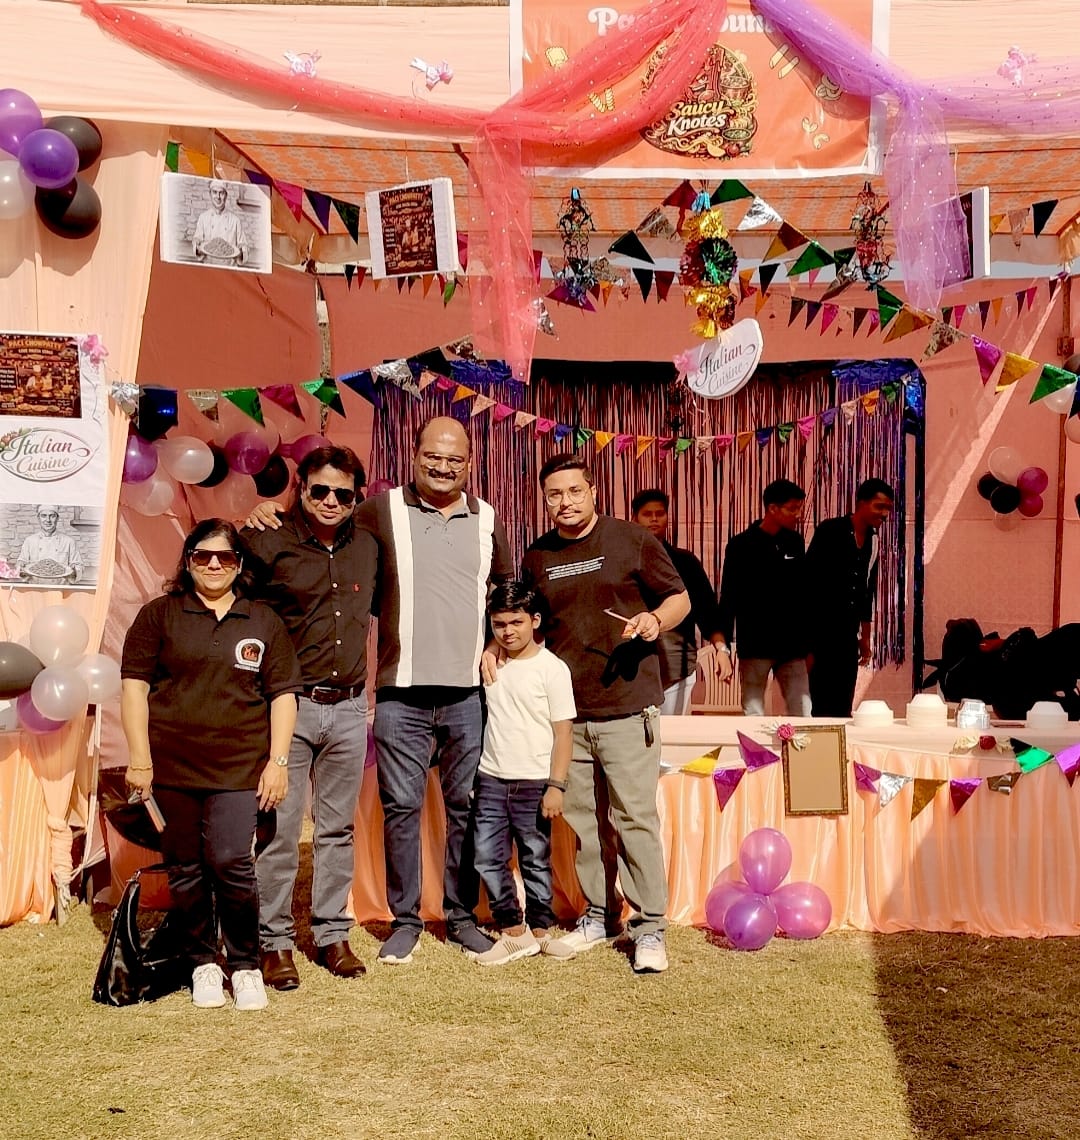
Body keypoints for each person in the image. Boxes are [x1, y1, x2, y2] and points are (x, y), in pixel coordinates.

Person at [515, 454, 690, 974]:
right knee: (585, 823)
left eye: (575, 491)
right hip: (568, 716)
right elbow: (529, 625)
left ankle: (650, 925)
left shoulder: (632, 540)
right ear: (545, 501)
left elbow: (679, 599)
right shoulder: (537, 557)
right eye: (554, 494)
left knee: (634, 818)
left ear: (593, 491)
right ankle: (599, 913)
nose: (565, 502)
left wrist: (655, 620)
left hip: (628, 708)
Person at [121, 520, 301, 1011]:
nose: (214, 565)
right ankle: (202, 962)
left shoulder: (262, 620)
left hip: (239, 768)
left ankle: (244, 964)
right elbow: (134, 688)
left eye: (224, 556)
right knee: (187, 868)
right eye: (203, 556)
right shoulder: (159, 615)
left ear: (239, 564)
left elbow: (283, 695)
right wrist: (140, 760)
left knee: (230, 862)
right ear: (188, 562)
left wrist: (278, 762)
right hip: (173, 768)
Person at [355, 417, 514, 965]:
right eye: (433, 456)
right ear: (414, 454)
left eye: (454, 459)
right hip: (400, 692)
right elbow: (325, 542)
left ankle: (461, 916)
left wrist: (495, 643)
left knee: (465, 806)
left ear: (469, 462)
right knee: (401, 807)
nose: (443, 467)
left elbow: (506, 591)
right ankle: (405, 920)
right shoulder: (379, 510)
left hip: (468, 694)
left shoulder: (487, 516)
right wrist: (269, 512)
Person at [244, 445, 377, 989]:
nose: (330, 501)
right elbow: (232, 610)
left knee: (337, 830)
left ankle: (331, 934)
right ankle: (273, 941)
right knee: (278, 830)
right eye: (319, 490)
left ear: (356, 498)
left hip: (349, 707)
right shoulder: (265, 539)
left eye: (343, 494)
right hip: (288, 708)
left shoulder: (367, 545)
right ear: (300, 487)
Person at [470, 581, 578, 967]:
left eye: (516, 622)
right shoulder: (490, 661)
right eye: (499, 624)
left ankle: (542, 931)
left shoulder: (553, 670)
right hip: (491, 778)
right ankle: (514, 932)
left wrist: (556, 786)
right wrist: (490, 648)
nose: (508, 632)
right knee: (487, 857)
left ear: (535, 620)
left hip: (535, 783)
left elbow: (563, 732)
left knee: (535, 859)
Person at [716, 478, 812, 716]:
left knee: (803, 711)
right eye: (792, 509)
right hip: (755, 644)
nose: (798, 515)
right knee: (753, 712)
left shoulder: (795, 541)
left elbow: (803, 595)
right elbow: (729, 597)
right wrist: (723, 647)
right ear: (772, 508)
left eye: (799, 508)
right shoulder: (740, 545)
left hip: (792, 646)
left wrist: (809, 645)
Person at [630, 488, 729, 713]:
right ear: (634, 518)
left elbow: (707, 611)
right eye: (647, 514)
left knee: (671, 731)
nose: (654, 519)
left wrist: (721, 650)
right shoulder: (623, 561)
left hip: (676, 664)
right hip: (633, 667)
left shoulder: (685, 562)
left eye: (660, 513)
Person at [805, 478, 895, 717]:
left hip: (847, 637)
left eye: (888, 508)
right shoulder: (831, 530)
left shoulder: (874, 540)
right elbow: (809, 584)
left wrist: (865, 637)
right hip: (820, 633)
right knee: (818, 705)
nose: (884, 514)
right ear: (861, 503)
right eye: (879, 506)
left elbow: (867, 591)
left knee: (843, 704)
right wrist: (807, 645)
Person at [17, 504, 82, 583]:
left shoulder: (69, 541)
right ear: (38, 518)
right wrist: (21, 567)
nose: (48, 520)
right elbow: (21, 563)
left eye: (52, 516)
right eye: (44, 516)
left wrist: (74, 571)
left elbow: (78, 566)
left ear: (57, 518)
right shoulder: (29, 541)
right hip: (35, 588)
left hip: (60, 588)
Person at [192, 180, 248, 266]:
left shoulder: (235, 220)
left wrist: (241, 252)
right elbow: (197, 239)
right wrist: (197, 247)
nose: (218, 197)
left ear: (226, 195)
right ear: (210, 194)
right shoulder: (203, 218)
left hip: (229, 268)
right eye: (214, 192)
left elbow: (243, 245)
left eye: (221, 193)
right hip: (209, 266)